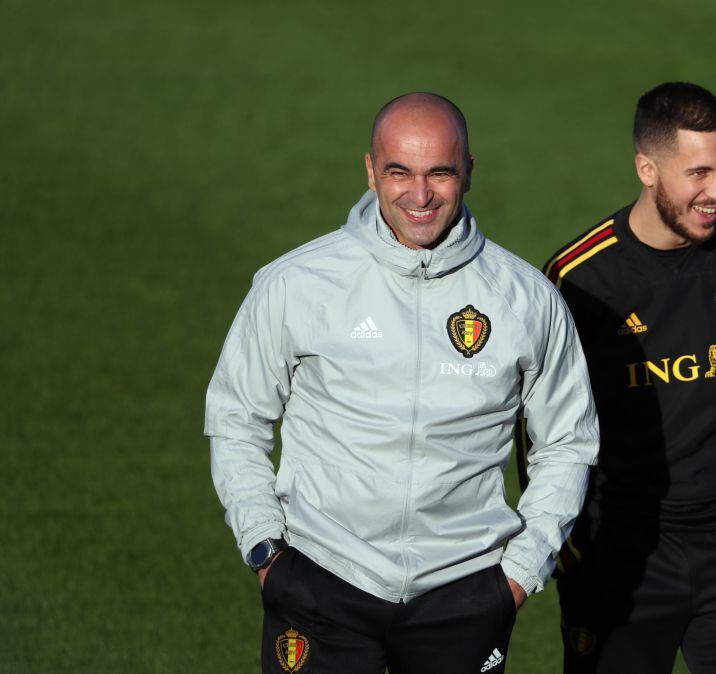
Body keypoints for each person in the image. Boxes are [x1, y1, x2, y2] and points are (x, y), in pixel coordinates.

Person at [205, 92, 599, 674]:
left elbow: (567, 442)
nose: (419, 196)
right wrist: (265, 548)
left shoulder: (527, 300)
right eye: (399, 172)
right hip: (320, 582)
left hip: (465, 593)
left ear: (468, 171)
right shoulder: (295, 283)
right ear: (370, 171)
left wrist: (520, 573)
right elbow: (236, 418)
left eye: (439, 172)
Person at [535, 82, 716, 673]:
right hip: (624, 556)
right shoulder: (578, 280)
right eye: (697, 173)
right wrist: (572, 552)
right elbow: (541, 429)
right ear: (646, 168)